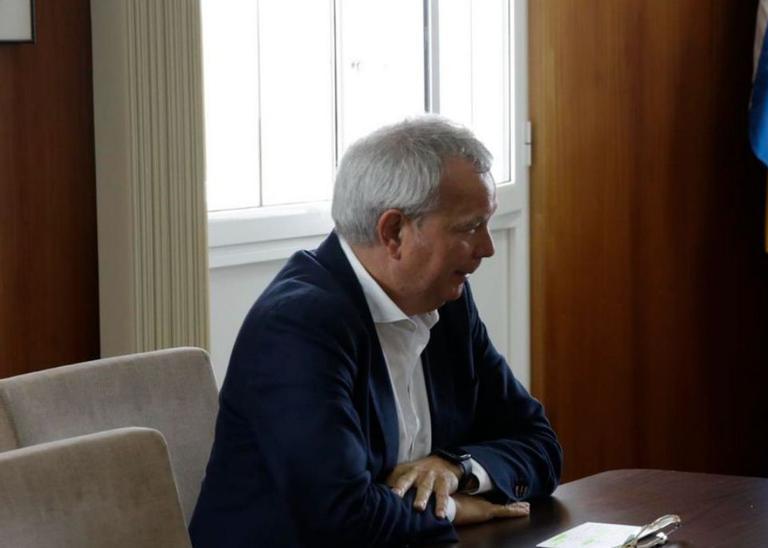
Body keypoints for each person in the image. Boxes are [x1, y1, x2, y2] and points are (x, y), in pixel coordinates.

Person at [189, 115, 563, 547]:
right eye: (469, 227)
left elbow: (539, 445)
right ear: (394, 231)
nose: (488, 248)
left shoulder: (447, 303)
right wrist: (456, 510)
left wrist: (454, 468)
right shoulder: (297, 327)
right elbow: (342, 515)